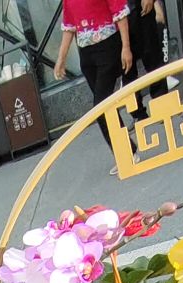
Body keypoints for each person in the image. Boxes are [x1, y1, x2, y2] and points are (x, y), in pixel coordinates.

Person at [53, 0, 134, 163]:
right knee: (106, 107)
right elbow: (69, 27)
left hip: (108, 46)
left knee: (100, 106)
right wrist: (61, 59)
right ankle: (125, 152)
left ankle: (126, 154)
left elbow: (120, 14)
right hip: (86, 53)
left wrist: (126, 47)